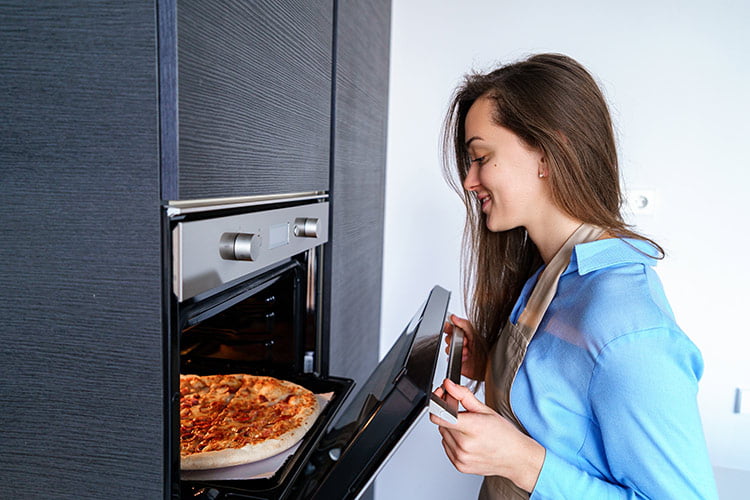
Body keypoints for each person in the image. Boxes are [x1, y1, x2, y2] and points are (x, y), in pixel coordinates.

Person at [429, 53, 718, 499]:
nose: (470, 180)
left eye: (481, 157)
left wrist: (522, 463)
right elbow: (568, 404)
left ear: (548, 154)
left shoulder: (630, 330)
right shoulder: (552, 274)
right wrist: (488, 361)